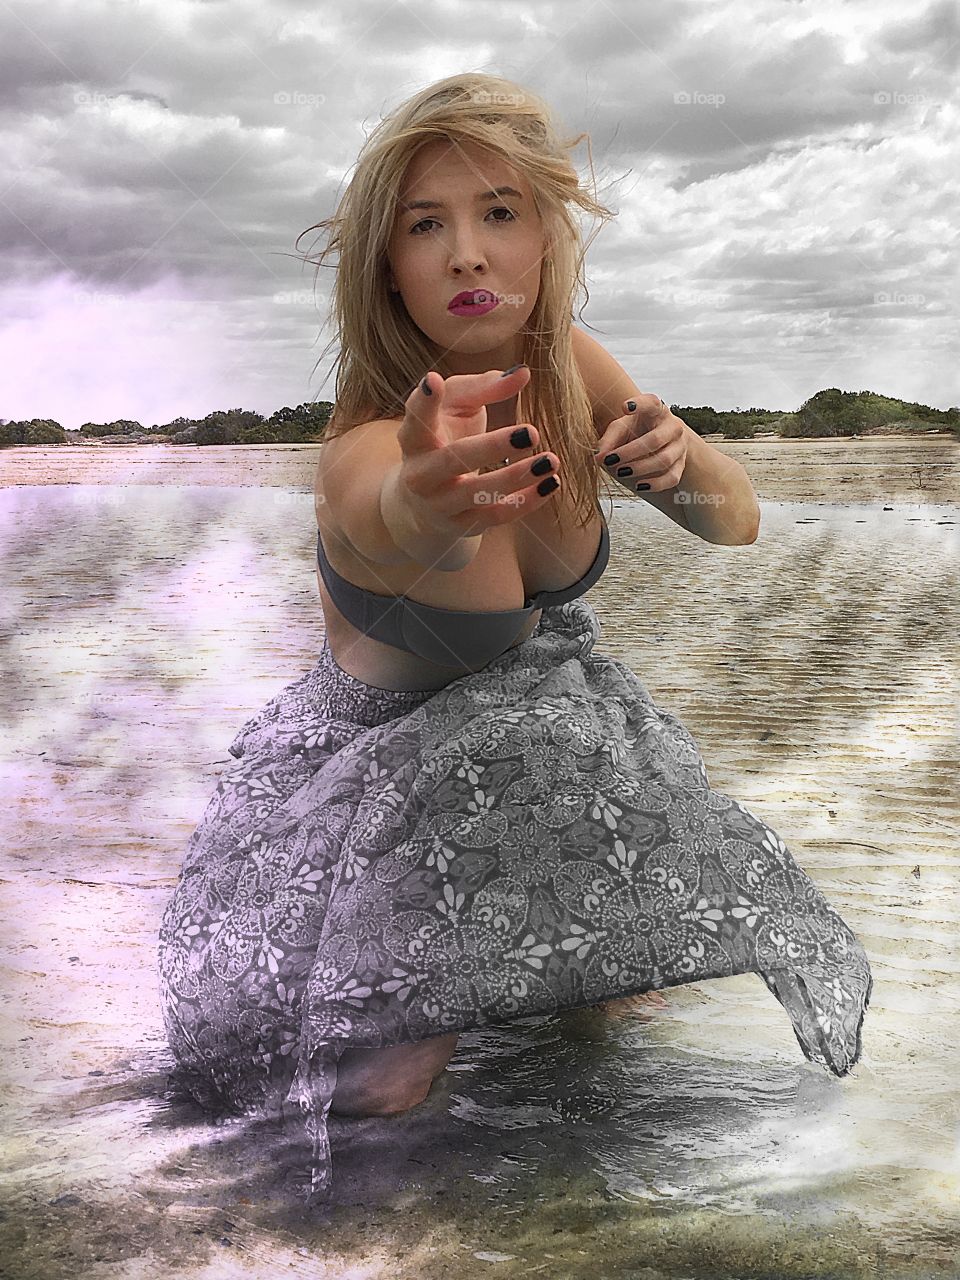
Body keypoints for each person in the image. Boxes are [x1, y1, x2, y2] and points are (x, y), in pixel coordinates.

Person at [157, 72, 872, 1204]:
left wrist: (687, 466)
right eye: (424, 225)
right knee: (386, 1088)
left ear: (547, 232)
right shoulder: (367, 433)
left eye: (499, 212)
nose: (467, 254)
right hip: (378, 780)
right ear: (387, 264)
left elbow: (735, 526)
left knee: (618, 1007)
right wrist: (425, 507)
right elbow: (373, 502)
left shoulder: (574, 367)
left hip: (554, 727)